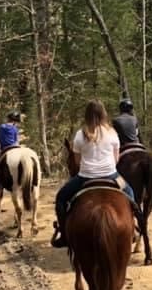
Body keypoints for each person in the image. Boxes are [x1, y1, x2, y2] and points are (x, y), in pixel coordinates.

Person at [51, 99, 136, 248]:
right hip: (112, 176)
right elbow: (116, 159)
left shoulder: (80, 134)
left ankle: (64, 234)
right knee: (131, 193)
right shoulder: (112, 132)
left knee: (61, 198)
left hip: (84, 177)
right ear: (104, 113)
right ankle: (133, 230)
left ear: (87, 115)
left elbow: (77, 162)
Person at [0, 110, 22, 186]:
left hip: (4, 149)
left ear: (8, 119)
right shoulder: (15, 129)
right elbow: (17, 140)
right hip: (15, 147)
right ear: (14, 121)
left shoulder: (1, 127)